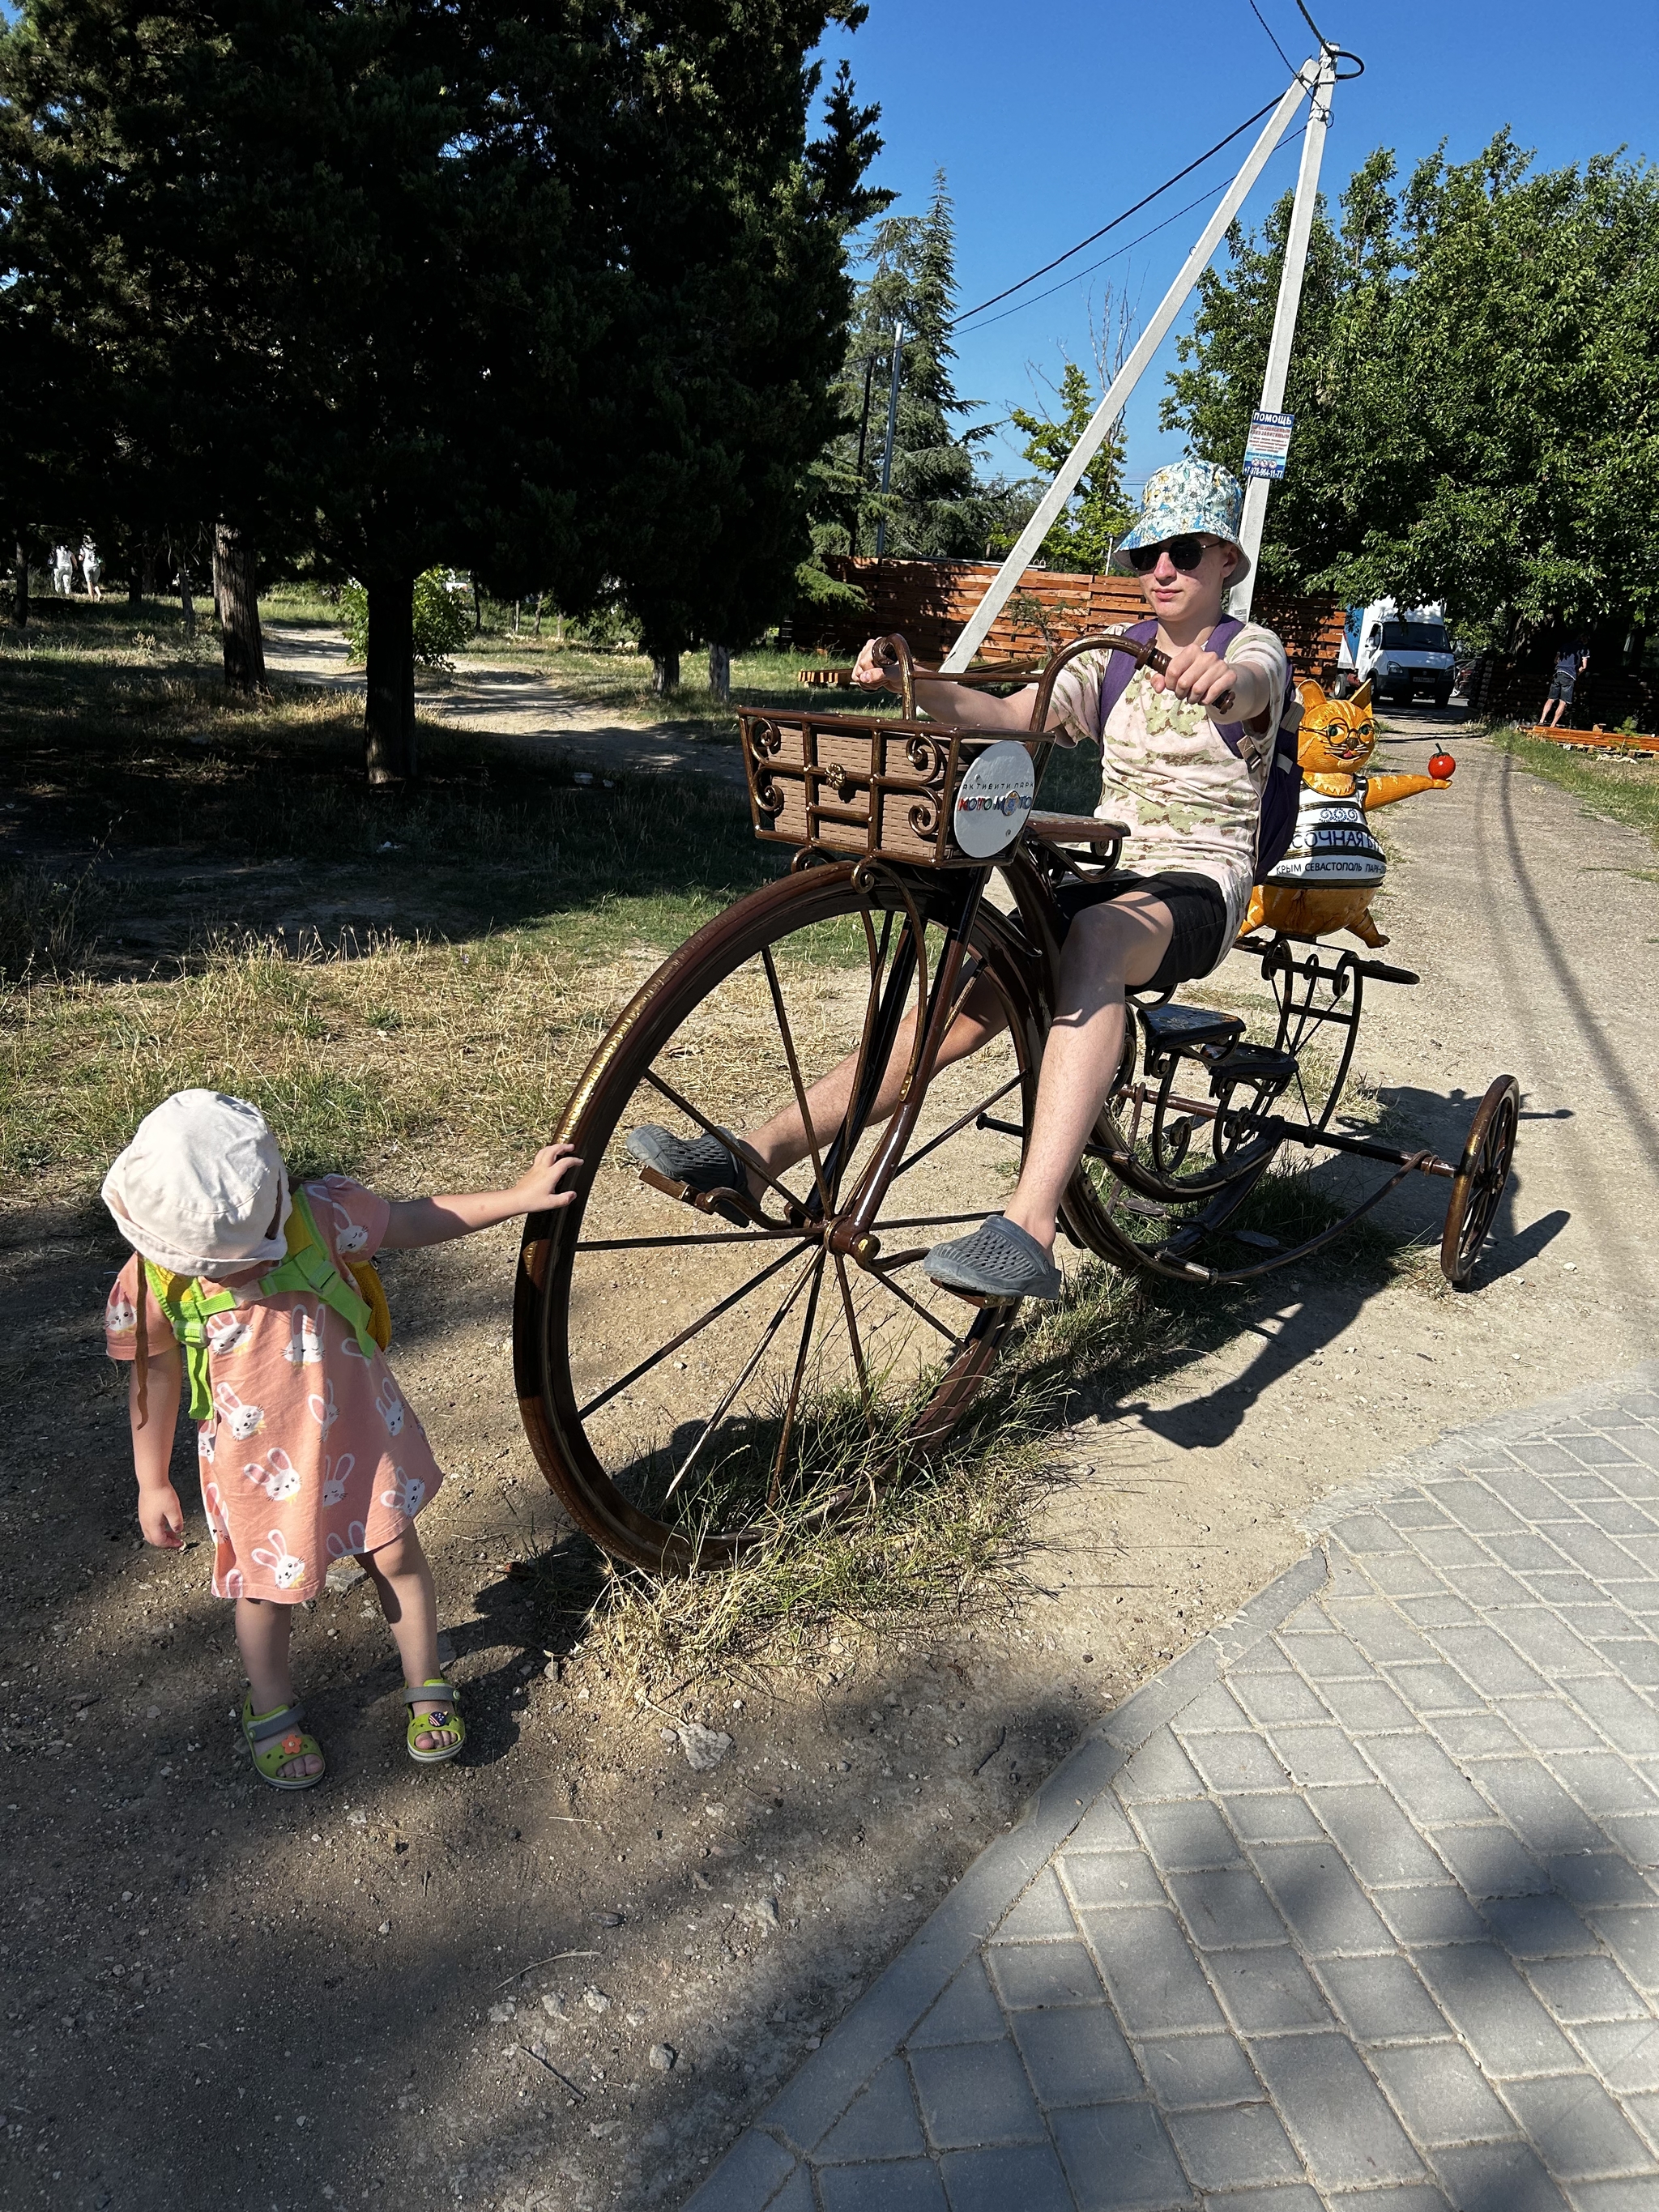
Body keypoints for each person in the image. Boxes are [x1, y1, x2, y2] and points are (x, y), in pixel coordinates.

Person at [628, 459, 1292, 1303]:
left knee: (1091, 938)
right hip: (1112, 876)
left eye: (1184, 550)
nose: (1161, 567)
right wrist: (918, 681)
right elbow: (1012, 715)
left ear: (1226, 560)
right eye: (1146, 552)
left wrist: (1227, 681)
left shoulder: (1250, 648)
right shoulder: (1111, 662)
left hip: (1197, 886)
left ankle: (1030, 1229)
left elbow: (1258, 684)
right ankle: (751, 1157)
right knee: (937, 1017)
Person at [102, 1089, 580, 1790]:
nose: (224, 1273)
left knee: (397, 1555)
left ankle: (425, 1679)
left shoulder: (319, 1215)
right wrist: (151, 1480)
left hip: (358, 1436)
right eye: (208, 1262)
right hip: (257, 1470)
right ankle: (269, 1706)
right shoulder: (153, 1281)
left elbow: (416, 1218)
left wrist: (516, 1196)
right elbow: (155, 1383)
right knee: (264, 1593)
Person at [1538, 639, 1587, 729]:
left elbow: (1556, 660)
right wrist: (1576, 674)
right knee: (1563, 702)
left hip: (1558, 673)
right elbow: (1584, 667)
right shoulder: (1584, 649)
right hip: (1570, 675)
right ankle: (1553, 725)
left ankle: (1541, 720)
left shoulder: (1565, 645)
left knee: (1551, 699)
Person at [79, 535, 101, 599]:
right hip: (96, 566)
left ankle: (92, 598)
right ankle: (99, 594)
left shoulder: (83, 548)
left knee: (89, 582)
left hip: (87, 566)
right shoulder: (95, 546)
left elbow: (80, 558)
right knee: (95, 583)